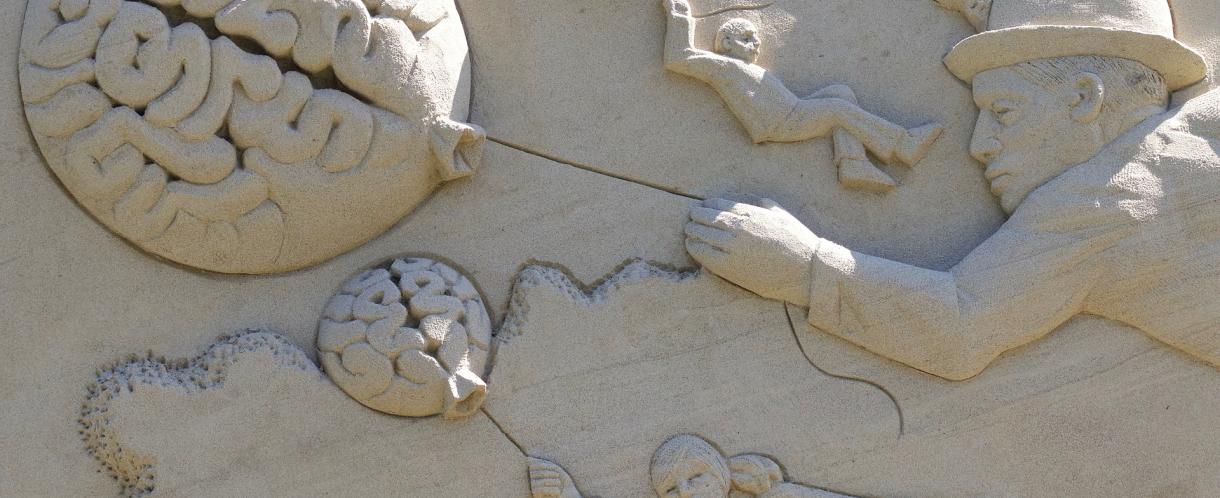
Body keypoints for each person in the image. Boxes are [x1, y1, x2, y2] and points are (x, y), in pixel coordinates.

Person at [683, 0, 1220, 380]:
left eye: (1002, 112)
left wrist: (802, 265)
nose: (980, 145)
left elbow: (961, 324)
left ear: (1084, 98)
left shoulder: (1101, 201)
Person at [660, 0, 942, 191]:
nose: (756, 42)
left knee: (838, 93)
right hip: (779, 121)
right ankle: (904, 144)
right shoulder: (723, 67)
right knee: (835, 109)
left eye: (755, 37)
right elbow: (678, 57)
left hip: (792, 110)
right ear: (726, 43)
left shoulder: (741, 68)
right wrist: (678, 14)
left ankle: (853, 164)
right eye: (747, 37)